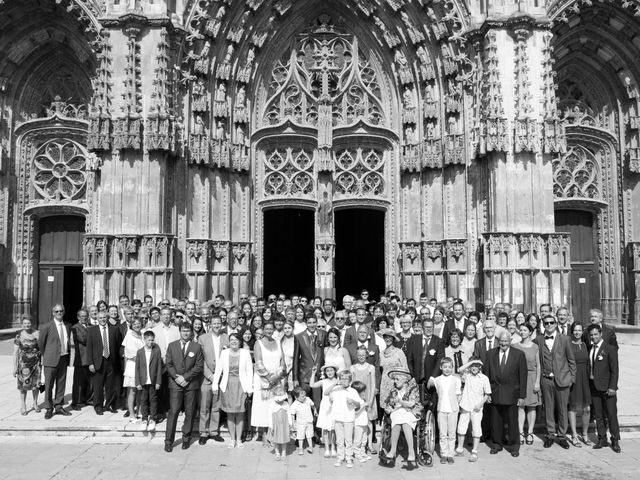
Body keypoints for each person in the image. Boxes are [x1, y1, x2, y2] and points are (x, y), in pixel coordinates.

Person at [536, 314, 576, 450]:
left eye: (551, 322)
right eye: (546, 323)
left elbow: (571, 360)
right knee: (548, 408)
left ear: (555, 323)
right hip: (546, 379)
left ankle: (562, 436)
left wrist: (571, 379)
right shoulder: (539, 340)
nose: (548, 325)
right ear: (543, 324)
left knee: (562, 409)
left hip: (562, 380)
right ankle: (550, 434)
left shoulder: (565, 339)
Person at [484, 332, 527, 457]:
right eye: (501, 341)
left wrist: (522, 396)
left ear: (510, 341)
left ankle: (514, 446)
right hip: (495, 393)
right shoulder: (490, 354)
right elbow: (486, 375)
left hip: (512, 394)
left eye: (506, 341)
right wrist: (487, 393)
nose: (503, 343)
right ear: (498, 341)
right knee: (496, 421)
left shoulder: (519, 354)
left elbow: (523, 376)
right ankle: (497, 444)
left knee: (513, 422)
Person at [164, 322, 204, 453]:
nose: (186, 333)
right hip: (176, 384)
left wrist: (185, 378)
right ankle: (169, 441)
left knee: (190, 412)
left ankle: (186, 439)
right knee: (173, 412)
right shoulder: (172, 346)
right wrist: (177, 378)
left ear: (191, 332)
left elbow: (198, 366)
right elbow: (168, 364)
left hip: (191, 384)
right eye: (183, 331)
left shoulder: (196, 347)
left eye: (188, 331)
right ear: (179, 332)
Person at [212, 332, 254, 449]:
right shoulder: (224, 353)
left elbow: (249, 371)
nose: (234, 342)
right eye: (231, 340)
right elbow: (218, 370)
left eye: (236, 340)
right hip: (227, 385)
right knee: (230, 414)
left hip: (241, 385)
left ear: (240, 341)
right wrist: (215, 385)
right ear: (229, 342)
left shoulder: (245, 353)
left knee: (240, 413)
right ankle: (232, 439)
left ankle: (239, 439)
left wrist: (250, 387)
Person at [380, 367, 422, 470]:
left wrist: (400, 401)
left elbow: (412, 403)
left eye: (397, 379)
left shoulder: (413, 388)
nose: (395, 381)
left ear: (405, 380)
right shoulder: (393, 390)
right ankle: (393, 450)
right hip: (397, 412)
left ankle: (411, 451)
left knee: (406, 421)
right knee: (397, 419)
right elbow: (389, 404)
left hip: (410, 411)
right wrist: (388, 408)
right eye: (394, 379)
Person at [251, 321, 286, 445]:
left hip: (276, 380)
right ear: (263, 330)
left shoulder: (278, 342)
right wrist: (268, 377)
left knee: (275, 406)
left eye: (271, 329)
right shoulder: (258, 343)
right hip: (263, 380)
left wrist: (276, 376)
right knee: (263, 407)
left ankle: (274, 433)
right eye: (267, 328)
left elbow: (282, 361)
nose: (269, 331)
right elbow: (258, 362)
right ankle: (265, 435)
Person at [587, 323, 620, 453]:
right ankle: (602, 439)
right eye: (591, 335)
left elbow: (615, 370)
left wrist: (612, 387)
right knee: (598, 415)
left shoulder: (610, 349)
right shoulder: (590, 348)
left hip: (608, 388)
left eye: (596, 334)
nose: (594, 337)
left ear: (601, 334)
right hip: (594, 387)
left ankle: (615, 439)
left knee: (611, 415)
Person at [198, 315, 228, 445]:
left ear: (222, 324)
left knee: (216, 406)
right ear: (210, 324)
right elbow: (200, 360)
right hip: (207, 377)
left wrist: (221, 375)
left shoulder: (226, 338)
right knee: (205, 406)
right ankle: (203, 432)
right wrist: (209, 375)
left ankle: (214, 431)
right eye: (214, 323)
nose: (216, 325)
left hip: (221, 378)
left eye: (218, 323)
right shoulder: (202, 338)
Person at [38, 304, 72, 419]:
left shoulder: (67, 325)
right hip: (50, 360)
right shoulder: (46, 326)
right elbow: (41, 344)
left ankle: (58, 406)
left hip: (63, 358)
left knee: (61, 384)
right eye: (57, 311)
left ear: (64, 312)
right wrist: (46, 355)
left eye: (61, 311)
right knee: (48, 386)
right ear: (53, 313)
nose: (59, 313)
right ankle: (48, 408)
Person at [454, 357, 491, 462]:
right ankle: (459, 449)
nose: (474, 368)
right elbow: (459, 370)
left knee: (476, 429)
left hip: (476, 408)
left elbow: (487, 394)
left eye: (477, 366)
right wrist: (471, 362)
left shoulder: (484, 378)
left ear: (480, 367)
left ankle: (474, 451)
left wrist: (480, 404)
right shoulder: (467, 376)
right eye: (472, 366)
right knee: (461, 427)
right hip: (465, 406)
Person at [87, 311, 123, 415]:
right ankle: (98, 406)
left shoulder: (114, 329)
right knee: (98, 385)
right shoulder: (92, 330)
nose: (102, 319)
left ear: (107, 318)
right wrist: (90, 363)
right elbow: (89, 348)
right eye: (100, 318)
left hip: (111, 361)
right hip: (98, 361)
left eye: (104, 318)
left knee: (110, 384)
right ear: (97, 319)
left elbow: (118, 345)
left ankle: (109, 405)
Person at [428, 357, 462, 465]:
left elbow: (458, 395)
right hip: (441, 409)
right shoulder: (437, 380)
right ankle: (444, 454)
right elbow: (431, 386)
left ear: (452, 368)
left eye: (449, 367)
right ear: (441, 367)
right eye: (445, 367)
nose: (447, 369)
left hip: (453, 409)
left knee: (452, 433)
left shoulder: (456, 380)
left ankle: (450, 454)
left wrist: (458, 408)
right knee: (442, 433)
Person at [327, 370, 362, 468]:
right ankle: (340, 457)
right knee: (339, 439)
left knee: (348, 439)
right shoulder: (336, 389)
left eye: (346, 379)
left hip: (348, 418)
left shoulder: (353, 391)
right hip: (338, 417)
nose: (344, 380)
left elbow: (358, 404)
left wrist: (353, 401)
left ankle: (349, 457)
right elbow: (326, 393)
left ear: (350, 380)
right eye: (342, 378)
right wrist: (335, 383)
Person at [513, 323, 541, 446]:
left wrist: (537, 382)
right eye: (521, 330)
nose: (522, 332)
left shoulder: (535, 347)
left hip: (532, 377)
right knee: (521, 406)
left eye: (525, 330)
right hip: (519, 378)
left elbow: (539, 365)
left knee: (532, 406)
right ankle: (520, 432)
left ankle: (529, 432)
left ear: (530, 332)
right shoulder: (515, 346)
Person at [292, 316, 326, 410]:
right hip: (304, 375)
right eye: (309, 322)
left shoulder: (323, 335)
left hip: (319, 375)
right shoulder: (298, 337)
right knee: (304, 404)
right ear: (306, 323)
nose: (312, 325)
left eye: (314, 322)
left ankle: (316, 424)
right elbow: (295, 358)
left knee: (317, 404)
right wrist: (295, 378)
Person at [568, 322, 592, 447]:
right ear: (572, 332)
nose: (577, 332)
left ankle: (585, 433)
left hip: (585, 379)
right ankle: (574, 434)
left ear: (583, 332)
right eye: (575, 330)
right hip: (574, 378)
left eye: (579, 330)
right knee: (573, 406)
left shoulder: (585, 345)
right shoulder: (568, 345)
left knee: (586, 408)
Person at [350, 346, 378, 454]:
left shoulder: (371, 367)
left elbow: (373, 383)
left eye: (363, 355)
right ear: (356, 355)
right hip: (357, 398)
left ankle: (369, 444)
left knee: (369, 421)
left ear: (366, 355)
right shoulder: (353, 368)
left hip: (368, 396)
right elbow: (351, 385)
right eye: (359, 355)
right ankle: (356, 444)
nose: (361, 357)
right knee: (356, 421)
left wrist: (370, 400)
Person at [134, 330, 162, 432]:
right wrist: (137, 382)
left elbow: (159, 367)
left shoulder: (156, 351)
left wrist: (158, 381)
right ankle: (144, 419)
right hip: (143, 381)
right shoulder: (140, 352)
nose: (151, 342)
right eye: (149, 340)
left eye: (152, 340)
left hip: (153, 381)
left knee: (153, 400)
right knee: (143, 400)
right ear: (144, 339)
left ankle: (153, 419)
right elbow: (137, 368)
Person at [13, 314, 41, 415]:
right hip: (24, 365)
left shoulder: (37, 333)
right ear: (22, 324)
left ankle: (35, 403)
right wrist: (14, 367)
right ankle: (23, 405)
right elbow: (15, 352)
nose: (27, 325)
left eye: (28, 323)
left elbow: (41, 348)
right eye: (25, 323)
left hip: (36, 364)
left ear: (32, 323)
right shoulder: (19, 335)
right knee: (23, 385)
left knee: (36, 384)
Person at [311, 363, 339, 457]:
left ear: (334, 371)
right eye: (327, 371)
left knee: (333, 428)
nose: (329, 372)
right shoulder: (324, 381)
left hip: (335, 405)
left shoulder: (338, 381)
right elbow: (312, 385)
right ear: (325, 372)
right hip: (325, 405)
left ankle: (333, 448)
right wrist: (313, 373)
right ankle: (327, 448)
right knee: (326, 428)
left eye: (331, 370)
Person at [406, 318, 445, 384]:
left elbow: (439, 361)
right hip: (415, 379)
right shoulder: (413, 340)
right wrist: (412, 376)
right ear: (422, 327)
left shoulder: (439, 342)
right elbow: (409, 360)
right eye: (426, 327)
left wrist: (433, 377)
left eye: (431, 327)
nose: (429, 329)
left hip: (432, 380)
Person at [379, 328, 408, 411]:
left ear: (393, 338)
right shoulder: (381, 353)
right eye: (386, 337)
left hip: (397, 384)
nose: (387, 339)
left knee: (397, 407)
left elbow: (405, 369)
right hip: (385, 384)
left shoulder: (399, 352)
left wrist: (404, 385)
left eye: (390, 337)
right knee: (386, 409)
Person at [122, 318, 145, 421]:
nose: (137, 325)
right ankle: (131, 414)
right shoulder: (129, 335)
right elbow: (129, 353)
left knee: (141, 390)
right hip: (133, 365)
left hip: (143, 366)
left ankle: (139, 411)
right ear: (131, 325)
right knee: (132, 391)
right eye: (134, 324)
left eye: (139, 323)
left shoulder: (144, 334)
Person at [71, 309, 91, 410]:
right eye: (82, 316)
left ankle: (86, 399)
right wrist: (93, 337)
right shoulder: (75, 327)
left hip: (89, 358)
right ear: (78, 317)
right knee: (78, 381)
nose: (84, 318)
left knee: (88, 380)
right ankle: (76, 402)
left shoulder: (90, 326)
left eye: (86, 316)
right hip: (81, 358)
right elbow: (83, 339)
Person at [289, 386, 316, 455]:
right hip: (300, 423)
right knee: (300, 436)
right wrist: (293, 423)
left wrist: (315, 411)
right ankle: (300, 448)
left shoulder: (308, 399)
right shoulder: (294, 405)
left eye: (304, 396)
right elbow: (292, 414)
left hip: (309, 421)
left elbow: (312, 405)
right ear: (296, 397)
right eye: (302, 397)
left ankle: (310, 447)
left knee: (309, 435)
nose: (304, 397)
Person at [351, 380, 372, 463]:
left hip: (364, 423)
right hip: (358, 424)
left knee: (364, 440)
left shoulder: (362, 399)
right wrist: (363, 405)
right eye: (362, 391)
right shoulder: (356, 401)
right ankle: (357, 453)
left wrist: (367, 407)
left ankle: (362, 452)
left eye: (364, 391)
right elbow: (356, 412)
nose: (364, 393)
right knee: (358, 441)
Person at [269, 385, 291, 460]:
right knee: (275, 439)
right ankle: (277, 452)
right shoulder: (272, 404)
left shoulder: (286, 404)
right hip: (275, 425)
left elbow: (288, 414)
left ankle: (284, 452)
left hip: (284, 425)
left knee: (284, 439)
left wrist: (290, 423)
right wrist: (270, 426)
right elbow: (269, 415)